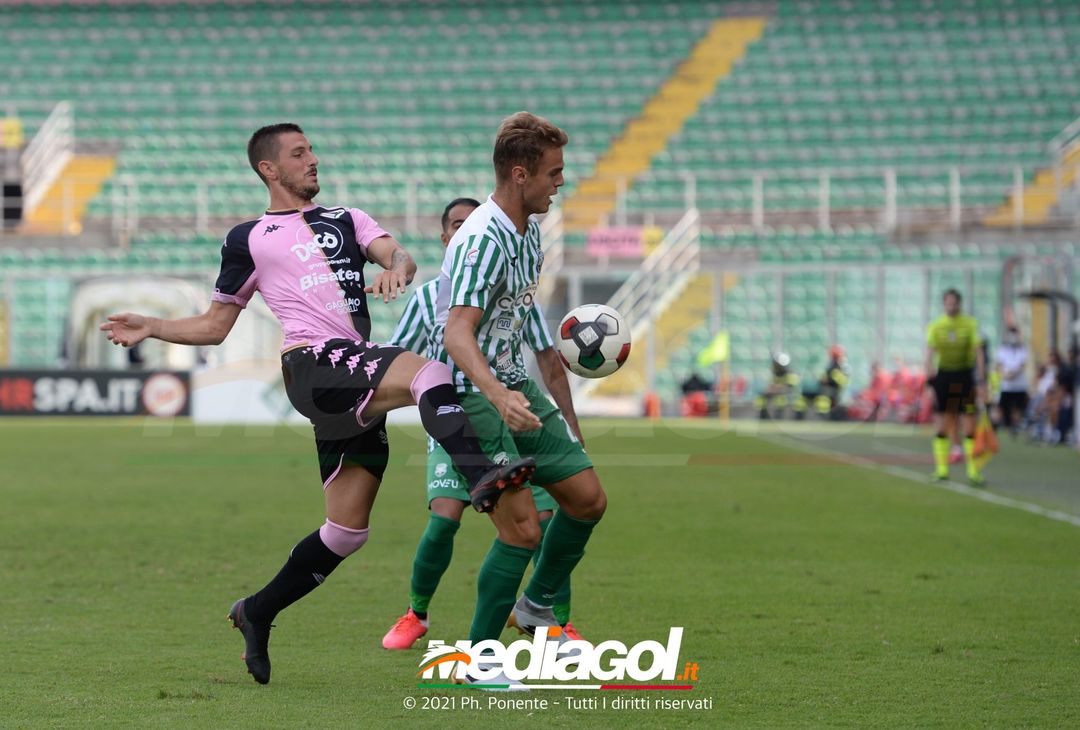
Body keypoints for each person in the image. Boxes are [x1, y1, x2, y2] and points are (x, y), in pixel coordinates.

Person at [99, 123, 536, 685]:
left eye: (311, 150)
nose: (313, 160)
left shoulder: (348, 218)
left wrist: (398, 268)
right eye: (299, 153)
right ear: (269, 169)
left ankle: (256, 611)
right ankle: (481, 476)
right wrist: (153, 325)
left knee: (347, 531)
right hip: (312, 363)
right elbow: (215, 325)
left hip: (350, 371)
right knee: (428, 371)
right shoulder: (247, 238)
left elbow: (396, 255)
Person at [427, 111, 605, 687]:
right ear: (520, 174)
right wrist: (497, 393)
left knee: (587, 499)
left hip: (513, 387)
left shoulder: (528, 232)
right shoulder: (482, 239)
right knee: (522, 531)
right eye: (554, 172)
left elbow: (523, 328)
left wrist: (560, 415)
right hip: (471, 395)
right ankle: (478, 662)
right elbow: (457, 333)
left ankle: (535, 607)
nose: (561, 182)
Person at [380, 196, 583, 650]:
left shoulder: (514, 296)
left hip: (511, 417)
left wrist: (569, 423)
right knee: (444, 519)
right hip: (455, 421)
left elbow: (548, 358)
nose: (466, 230)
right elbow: (396, 360)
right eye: (457, 224)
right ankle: (416, 613)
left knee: (544, 518)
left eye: (472, 222)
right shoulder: (426, 300)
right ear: (446, 239)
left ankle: (557, 622)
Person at [924, 288, 986, 485]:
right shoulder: (936, 325)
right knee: (942, 425)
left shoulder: (970, 323)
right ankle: (941, 470)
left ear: (959, 304)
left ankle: (973, 472)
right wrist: (929, 382)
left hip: (964, 376)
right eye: (948, 302)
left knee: (969, 426)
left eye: (954, 302)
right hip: (944, 376)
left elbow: (978, 352)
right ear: (944, 304)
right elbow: (929, 354)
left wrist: (982, 381)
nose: (951, 306)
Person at [995, 326, 1028, 436]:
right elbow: (999, 365)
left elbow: (1022, 365)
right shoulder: (1002, 349)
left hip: (1019, 386)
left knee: (1018, 407)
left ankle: (1016, 426)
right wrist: (1005, 375)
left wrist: (1013, 374)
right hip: (1006, 386)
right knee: (1005, 407)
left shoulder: (1022, 349)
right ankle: (1007, 425)